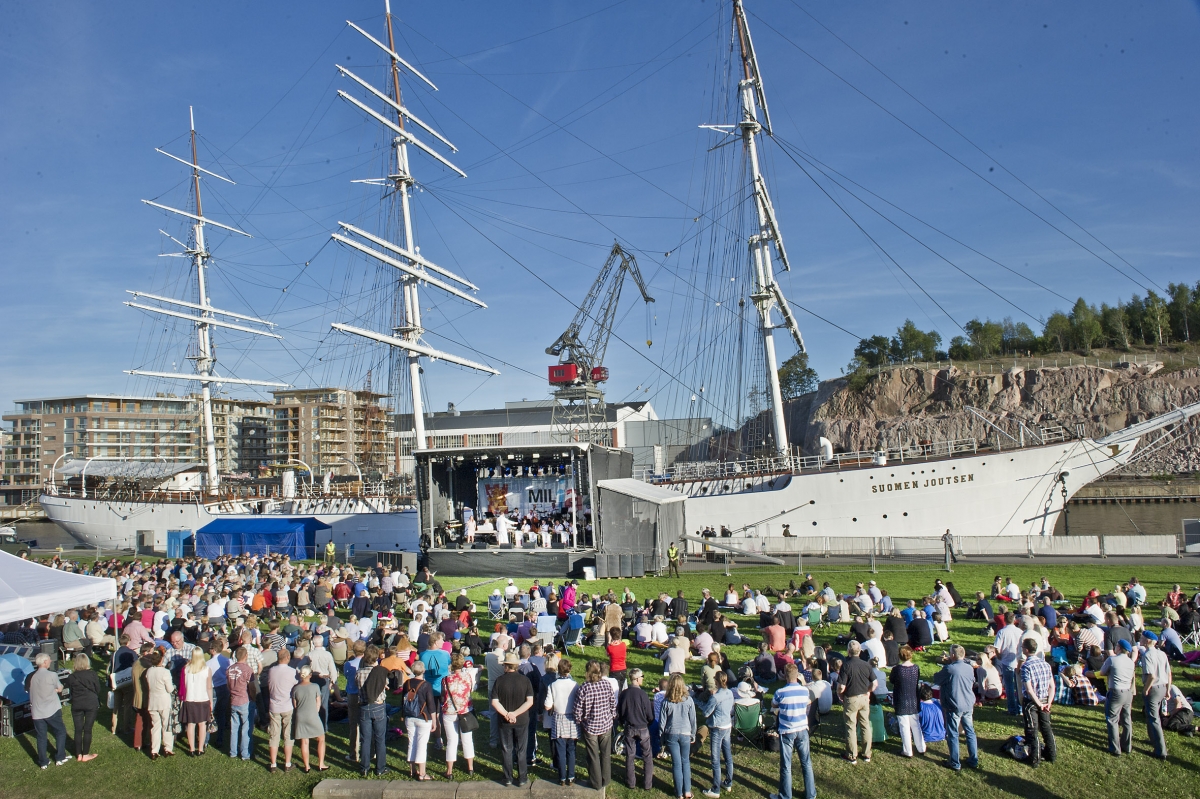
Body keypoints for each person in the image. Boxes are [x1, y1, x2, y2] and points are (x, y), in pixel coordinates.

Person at [769, 663, 815, 799]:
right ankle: (810, 794)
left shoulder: (780, 693)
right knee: (806, 762)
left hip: (787, 730)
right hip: (802, 729)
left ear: (785, 675)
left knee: (786, 765)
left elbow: (773, 705)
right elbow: (807, 703)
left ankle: (785, 796)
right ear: (797, 675)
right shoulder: (805, 691)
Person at [493, 651, 535, 787]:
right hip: (522, 720)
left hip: (504, 722)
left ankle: (508, 778)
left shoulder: (499, 681)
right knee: (521, 749)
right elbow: (529, 702)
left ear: (506, 666)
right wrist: (515, 714)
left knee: (507, 749)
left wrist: (507, 714)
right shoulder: (525, 680)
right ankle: (522, 778)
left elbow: (495, 702)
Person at [574, 659, 617, 790]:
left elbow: (577, 709)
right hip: (606, 724)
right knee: (605, 753)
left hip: (590, 726)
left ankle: (596, 782)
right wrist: (613, 715)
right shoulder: (606, 684)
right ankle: (606, 779)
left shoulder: (584, 688)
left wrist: (578, 720)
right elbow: (612, 703)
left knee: (593, 756)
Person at [934, 644, 977, 770]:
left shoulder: (949, 669)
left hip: (954, 705)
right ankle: (973, 759)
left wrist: (947, 664)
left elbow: (936, 679)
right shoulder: (969, 668)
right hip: (968, 703)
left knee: (953, 734)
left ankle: (955, 762)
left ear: (952, 655)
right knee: (970, 732)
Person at [1019, 637, 1056, 768]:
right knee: (1046, 727)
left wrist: (1039, 704)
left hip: (1032, 702)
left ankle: (1035, 758)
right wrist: (1048, 703)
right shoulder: (1045, 664)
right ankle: (1052, 754)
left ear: (1026, 650)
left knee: (1032, 729)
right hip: (1045, 700)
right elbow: (1052, 686)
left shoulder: (1026, 667)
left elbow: (1029, 689)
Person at [659, 673, 697, 799]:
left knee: (676, 763)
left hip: (671, 733)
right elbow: (693, 720)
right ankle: (687, 791)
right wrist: (693, 734)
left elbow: (662, 723)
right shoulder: (689, 700)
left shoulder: (666, 701)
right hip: (686, 733)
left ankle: (679, 793)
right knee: (685, 761)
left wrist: (661, 738)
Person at [29, 652, 69, 769]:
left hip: (37, 711)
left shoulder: (33, 677)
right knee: (60, 732)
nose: (50, 662)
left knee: (41, 737)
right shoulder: (51, 675)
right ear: (45, 662)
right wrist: (56, 690)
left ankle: (43, 762)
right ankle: (60, 756)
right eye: (49, 660)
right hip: (51, 709)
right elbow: (59, 687)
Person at [837, 640, 875, 764]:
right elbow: (875, 683)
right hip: (864, 698)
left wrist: (840, 695)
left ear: (848, 651)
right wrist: (868, 692)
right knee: (865, 725)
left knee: (850, 726)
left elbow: (841, 686)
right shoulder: (866, 665)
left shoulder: (846, 665)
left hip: (851, 698)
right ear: (860, 651)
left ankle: (852, 755)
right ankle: (866, 753)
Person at [545, 657, 580, 786]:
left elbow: (547, 705)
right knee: (571, 749)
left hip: (559, 718)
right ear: (569, 669)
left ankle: (562, 777)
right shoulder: (575, 684)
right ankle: (571, 776)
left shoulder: (552, 685)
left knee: (560, 749)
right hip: (572, 718)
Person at [618, 668, 655, 790]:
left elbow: (621, 712)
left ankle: (631, 782)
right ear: (637, 679)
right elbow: (650, 714)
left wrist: (623, 722)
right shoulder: (643, 695)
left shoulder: (624, 694)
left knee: (630, 754)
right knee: (647, 755)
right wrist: (648, 722)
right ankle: (648, 784)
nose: (643, 678)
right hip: (643, 728)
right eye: (642, 676)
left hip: (629, 727)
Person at [441, 652, 476, 780]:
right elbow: (470, 690)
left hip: (449, 711)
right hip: (465, 710)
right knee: (467, 739)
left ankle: (449, 770)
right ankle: (470, 767)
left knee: (452, 741)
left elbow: (443, 694)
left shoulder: (445, 679)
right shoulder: (468, 676)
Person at [357, 644, 390, 776]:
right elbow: (385, 684)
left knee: (365, 738)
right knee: (380, 738)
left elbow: (357, 685)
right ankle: (380, 768)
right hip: (378, 705)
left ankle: (364, 767)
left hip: (364, 705)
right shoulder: (380, 672)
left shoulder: (359, 673)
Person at [401, 660, 438, 780]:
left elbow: (403, 701)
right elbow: (431, 705)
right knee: (422, 744)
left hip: (409, 716)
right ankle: (422, 773)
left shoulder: (407, 683)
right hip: (423, 717)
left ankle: (412, 770)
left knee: (411, 742)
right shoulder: (426, 685)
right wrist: (434, 721)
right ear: (423, 671)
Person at [700, 671, 734, 798]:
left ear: (716, 681)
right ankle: (728, 782)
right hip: (727, 725)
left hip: (717, 728)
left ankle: (715, 789)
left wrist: (707, 700)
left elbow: (705, 713)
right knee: (727, 756)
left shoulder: (715, 697)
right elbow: (730, 707)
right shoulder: (730, 693)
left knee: (715, 759)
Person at [63, 653, 102, 763]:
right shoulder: (92, 674)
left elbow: (69, 691)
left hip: (77, 704)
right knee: (88, 729)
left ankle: (78, 754)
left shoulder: (71, 677)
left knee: (78, 729)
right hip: (90, 703)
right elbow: (98, 689)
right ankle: (85, 754)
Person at [1139, 631, 1171, 759]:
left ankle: (1160, 750)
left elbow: (1152, 675)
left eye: (1142, 638)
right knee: (1151, 715)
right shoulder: (1162, 654)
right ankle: (1153, 739)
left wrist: (1146, 689)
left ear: (1147, 641)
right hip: (1163, 687)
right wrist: (1168, 690)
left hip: (1153, 688)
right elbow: (1168, 673)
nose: (1140, 639)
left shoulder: (1147, 655)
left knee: (1154, 718)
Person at [1100, 639, 1135, 756]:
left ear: (1119, 648)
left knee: (1112, 720)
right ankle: (1127, 745)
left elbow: (1102, 672)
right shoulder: (1131, 662)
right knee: (1126, 719)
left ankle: (1115, 748)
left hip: (1115, 691)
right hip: (1128, 692)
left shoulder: (1112, 660)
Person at [890, 645, 925, 758]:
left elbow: (892, 680)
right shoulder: (916, 668)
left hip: (901, 699)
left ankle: (908, 750)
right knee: (916, 724)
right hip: (913, 698)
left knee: (904, 726)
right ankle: (921, 747)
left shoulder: (897, 669)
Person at [291, 665, 327, 772]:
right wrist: (315, 712)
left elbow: (295, 705)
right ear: (310, 675)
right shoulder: (315, 686)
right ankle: (321, 764)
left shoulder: (296, 688)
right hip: (312, 715)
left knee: (304, 741)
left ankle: (307, 766)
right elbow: (318, 702)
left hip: (300, 715)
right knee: (321, 738)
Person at [267, 648, 298, 772]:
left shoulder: (271, 671)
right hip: (287, 705)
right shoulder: (292, 672)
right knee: (288, 735)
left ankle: (273, 764)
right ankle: (287, 763)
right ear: (287, 658)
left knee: (274, 735)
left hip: (274, 705)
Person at [144, 651, 175, 760]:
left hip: (153, 701)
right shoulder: (165, 672)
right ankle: (168, 747)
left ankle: (154, 750)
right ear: (161, 660)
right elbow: (170, 689)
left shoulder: (149, 671)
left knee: (155, 726)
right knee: (166, 725)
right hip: (164, 701)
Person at [180, 648, 213, 756]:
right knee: (202, 724)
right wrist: (211, 701)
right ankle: (200, 748)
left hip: (190, 698)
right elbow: (209, 687)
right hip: (202, 698)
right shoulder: (206, 669)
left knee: (191, 724)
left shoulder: (186, 669)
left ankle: (191, 749)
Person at [226, 646, 255, 761]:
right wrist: (253, 697)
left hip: (233, 700)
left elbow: (228, 685)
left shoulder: (229, 669)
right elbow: (252, 687)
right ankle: (245, 753)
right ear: (246, 656)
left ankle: (233, 751)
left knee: (234, 727)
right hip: (244, 700)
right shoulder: (247, 669)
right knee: (246, 728)